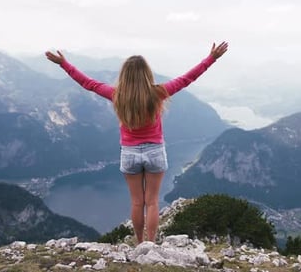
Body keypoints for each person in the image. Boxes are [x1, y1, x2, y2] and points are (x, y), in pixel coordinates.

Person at [46, 42, 228, 243]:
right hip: (155, 152)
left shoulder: (117, 95)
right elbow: (187, 78)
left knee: (136, 202)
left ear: (124, 76)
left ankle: (139, 242)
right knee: (151, 202)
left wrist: (64, 64)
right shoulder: (158, 93)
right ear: (147, 74)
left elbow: (88, 83)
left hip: (130, 154)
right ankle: (150, 243)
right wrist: (211, 59)